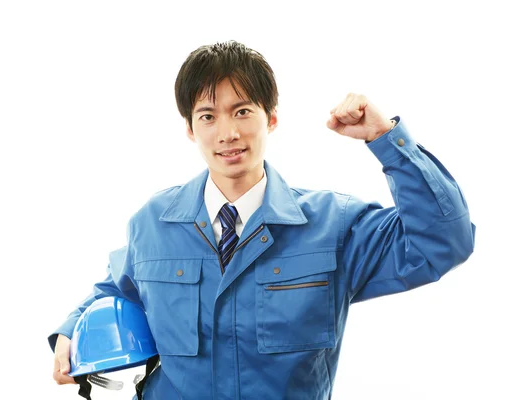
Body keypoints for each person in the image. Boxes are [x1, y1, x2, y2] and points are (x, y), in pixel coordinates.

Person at [49, 40, 476, 399]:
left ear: (271, 118)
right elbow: (116, 288)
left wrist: (387, 140)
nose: (227, 133)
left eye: (242, 112)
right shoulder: (153, 223)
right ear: (189, 129)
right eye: (207, 116)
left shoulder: (334, 225)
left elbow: (443, 242)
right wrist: (72, 331)